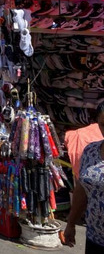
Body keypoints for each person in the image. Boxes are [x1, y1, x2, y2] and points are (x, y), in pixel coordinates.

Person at [63, 103, 104, 253]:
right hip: (95, 238)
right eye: (103, 125)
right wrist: (71, 223)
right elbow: (82, 189)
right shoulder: (91, 151)